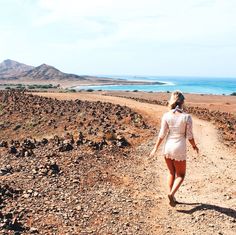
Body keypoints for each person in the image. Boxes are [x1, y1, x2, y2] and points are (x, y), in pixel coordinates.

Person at [150, 90, 199, 207]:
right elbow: (190, 136)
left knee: (171, 172)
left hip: (168, 147)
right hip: (179, 147)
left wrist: (155, 148)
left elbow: (162, 134)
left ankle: (171, 195)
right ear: (182, 102)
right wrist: (194, 146)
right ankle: (172, 194)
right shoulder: (187, 117)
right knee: (181, 175)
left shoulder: (166, 115)